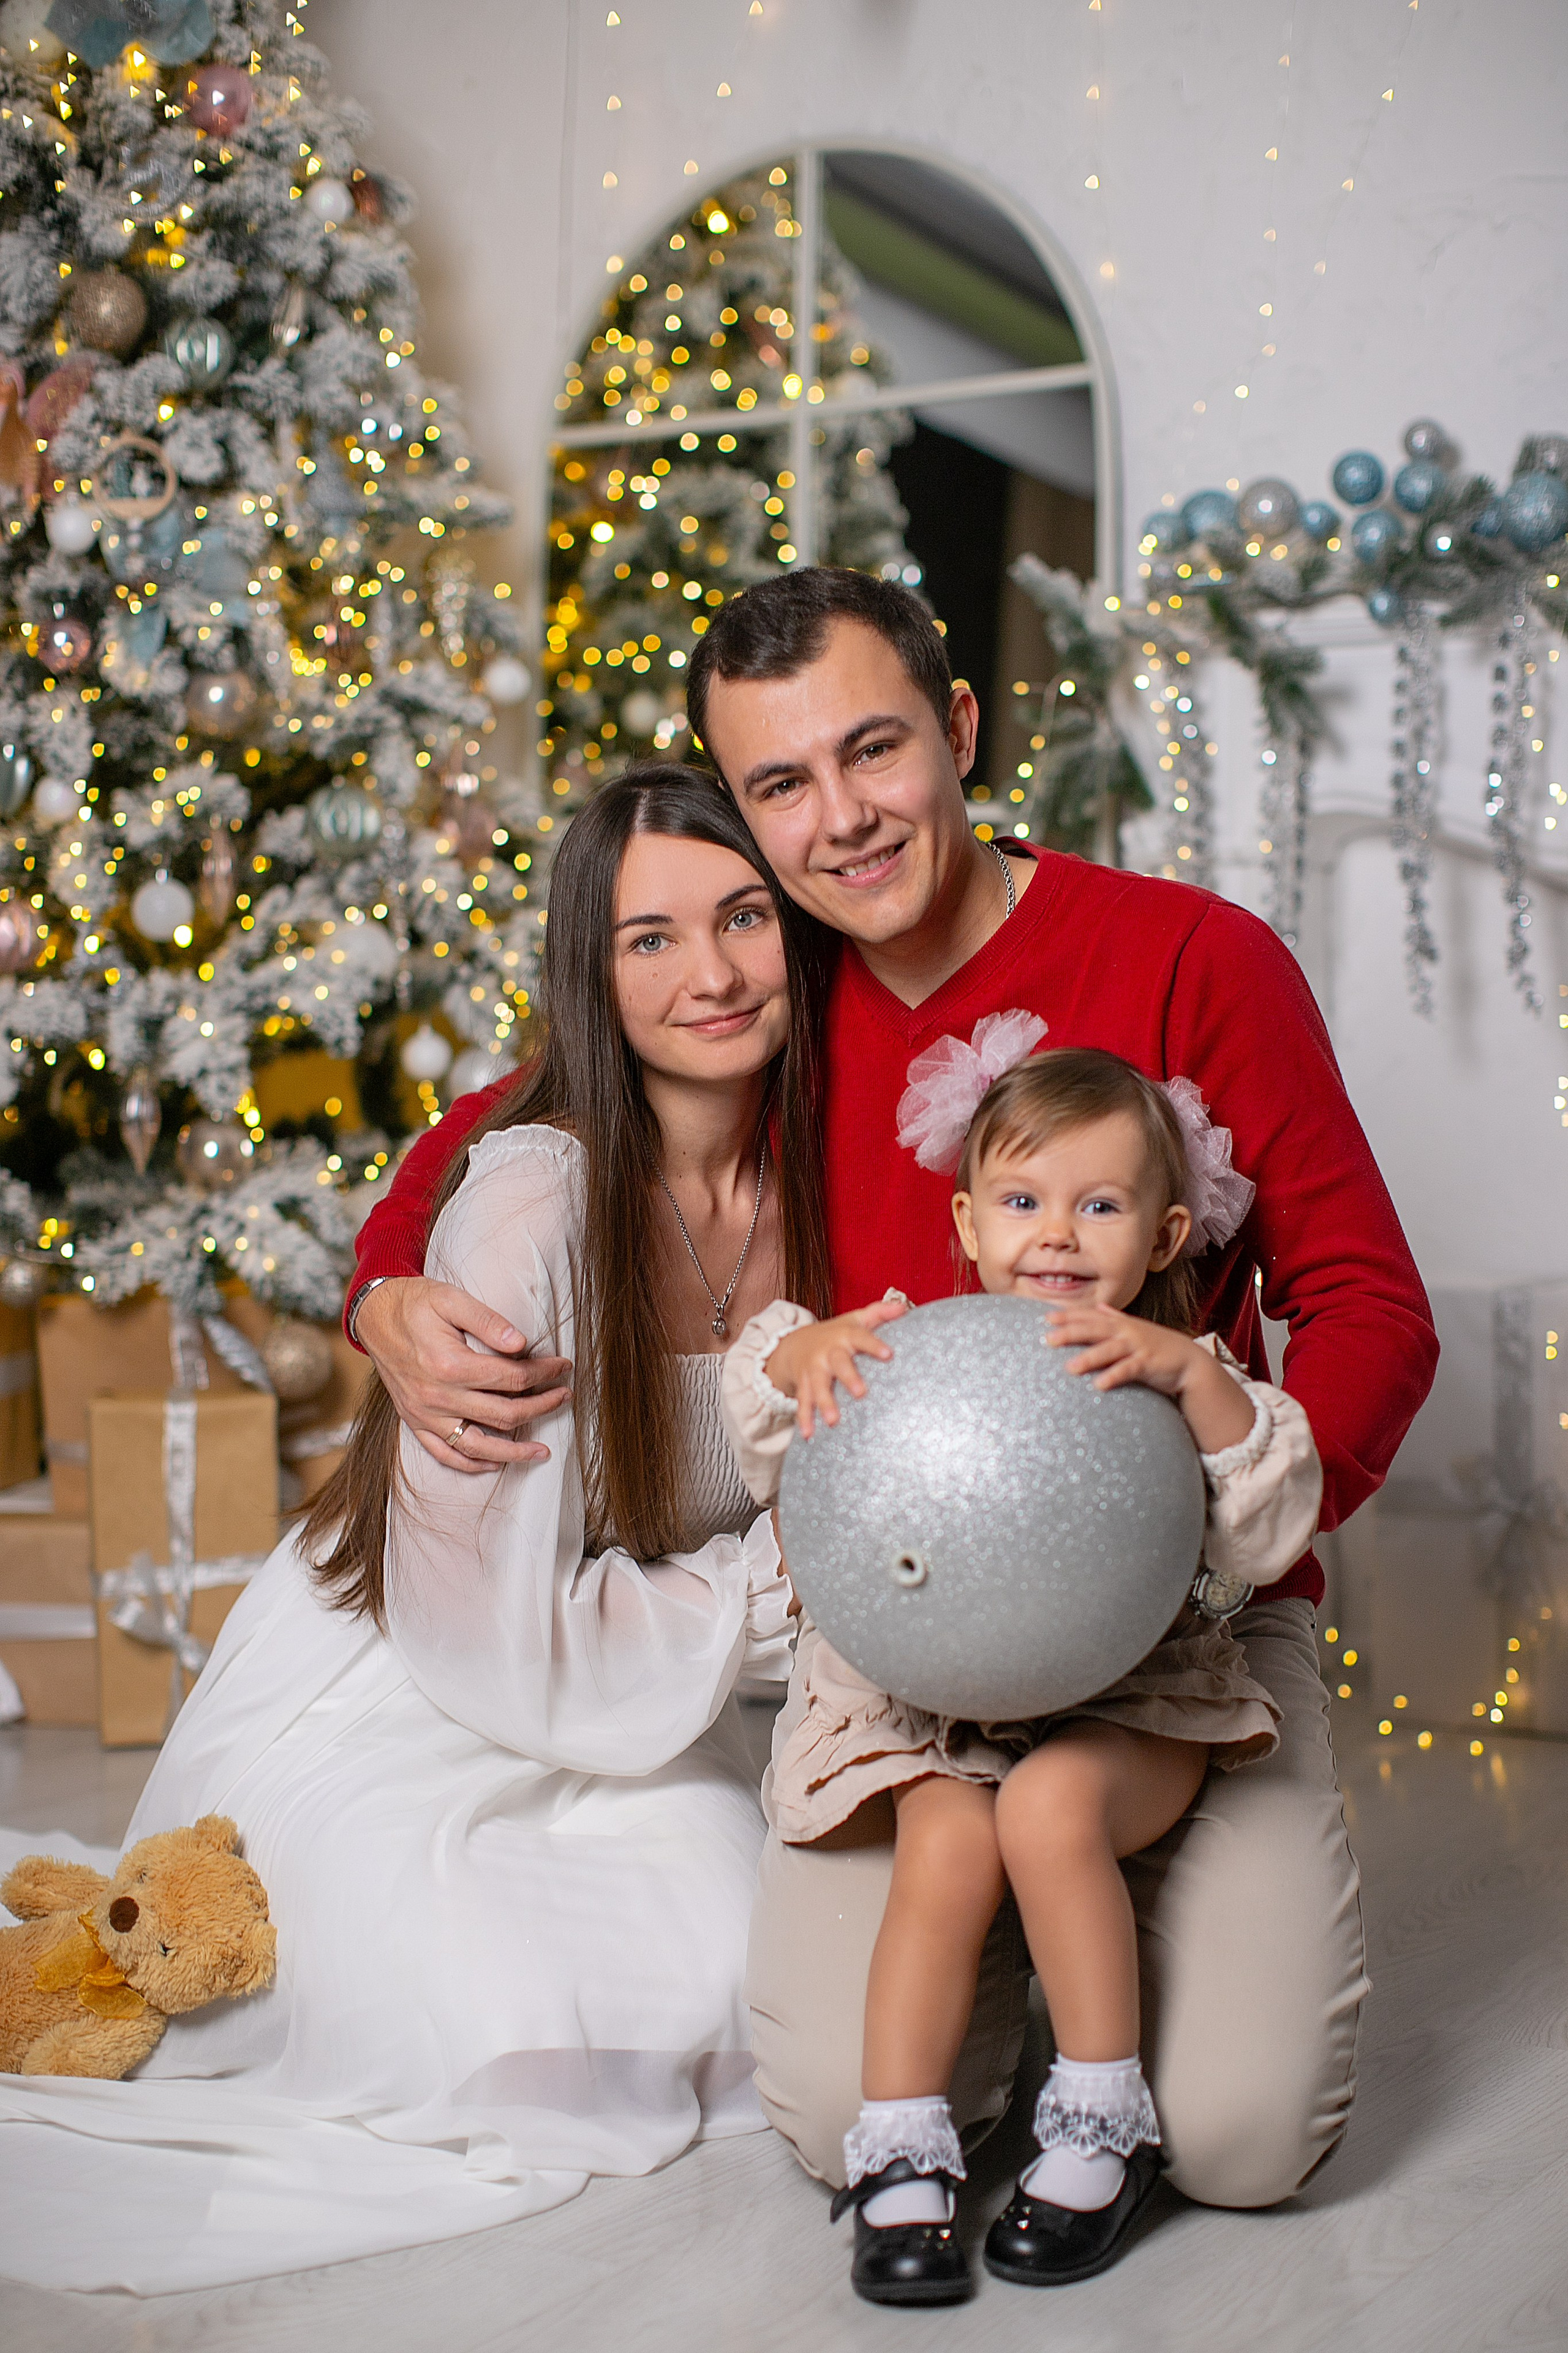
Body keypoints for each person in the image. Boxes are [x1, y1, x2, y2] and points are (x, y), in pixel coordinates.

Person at [347, 567, 1438, 2217]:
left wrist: (1221, 1536)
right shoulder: (771, 987)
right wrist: (384, 1286)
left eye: (874, 750)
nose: (841, 819)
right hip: (903, 1652)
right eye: (780, 783)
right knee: (838, 2111)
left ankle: (1123, 1911)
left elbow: (1369, 1310)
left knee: (1240, 2140)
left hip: (1177, 1623)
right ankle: (1028, 1915)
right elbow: (523, 1108)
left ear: (961, 728)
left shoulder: (1194, 956)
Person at [0, 767, 827, 2295]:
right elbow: (492, 1627)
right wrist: (775, 1586)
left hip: (640, 1684)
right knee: (497, 2020)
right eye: (649, 939)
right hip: (424, 1671)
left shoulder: (842, 1176)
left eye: (743, 918)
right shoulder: (534, 1201)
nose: (710, 973)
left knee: (728, 1964)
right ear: (588, 970)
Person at [721, 1043, 1322, 2304]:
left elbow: (1266, 1530)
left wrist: (1195, 1375)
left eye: (1099, 1205)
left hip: (1133, 1697)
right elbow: (766, 1407)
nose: (1056, 1232)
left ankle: (1103, 2120)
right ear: (967, 1222)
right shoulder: (917, 1349)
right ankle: (900, 2153)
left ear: (1163, 1236)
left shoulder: (1175, 1369)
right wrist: (802, 1353)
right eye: (1021, 1199)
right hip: (941, 1700)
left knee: (1048, 1809)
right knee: (945, 1840)